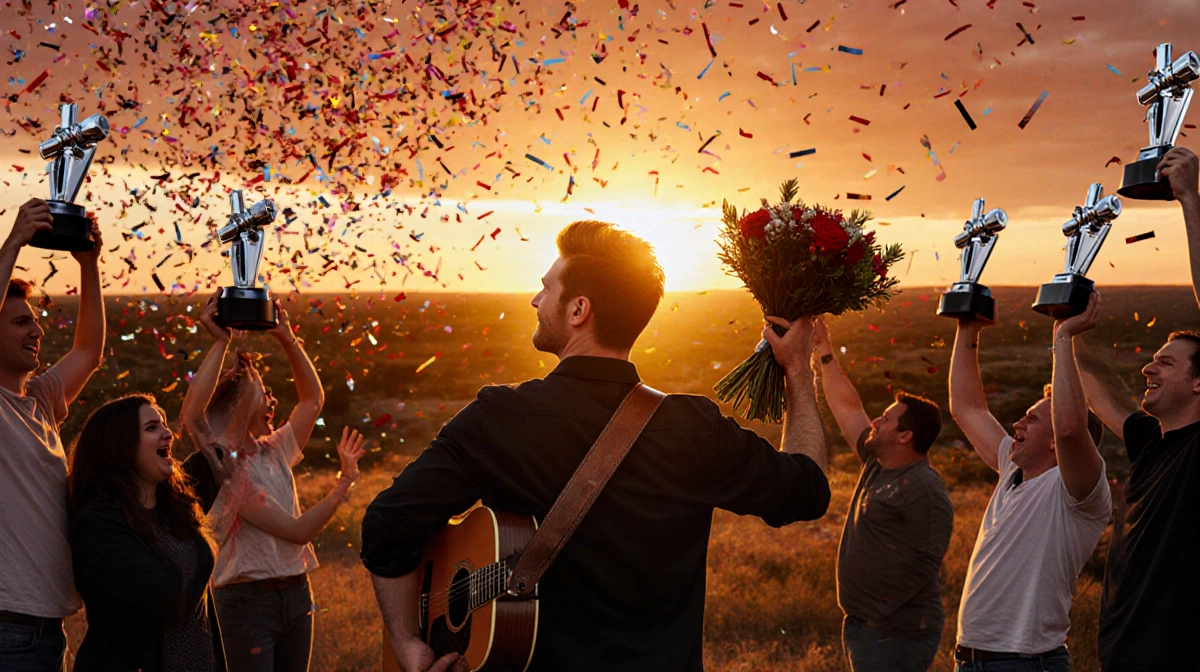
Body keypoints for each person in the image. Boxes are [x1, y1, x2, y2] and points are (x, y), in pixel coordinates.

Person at [361, 220, 831, 672]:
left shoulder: (498, 419)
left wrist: (406, 642)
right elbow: (808, 489)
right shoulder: (694, 429)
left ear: (578, 310)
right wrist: (797, 373)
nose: (534, 299)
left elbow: (387, 525)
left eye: (546, 289)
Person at [181, 289, 362, 672]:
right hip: (247, 602)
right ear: (241, 405)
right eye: (263, 395)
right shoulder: (227, 472)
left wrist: (286, 336)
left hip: (297, 593)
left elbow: (312, 400)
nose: (273, 402)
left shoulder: (274, 448)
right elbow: (297, 532)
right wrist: (343, 485)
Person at [1074, 146, 1200, 671]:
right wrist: (1065, 333)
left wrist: (1191, 200)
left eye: (1166, 364)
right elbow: (1101, 395)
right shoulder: (1151, 443)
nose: (1149, 369)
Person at [948, 296, 1111, 671]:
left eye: (1032, 420)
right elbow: (967, 407)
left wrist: (1064, 339)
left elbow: (1071, 428)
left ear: (1055, 440)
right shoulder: (1011, 469)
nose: (1017, 425)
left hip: (1025, 662)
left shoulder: (1078, 494)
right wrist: (967, 330)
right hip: (972, 661)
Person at [810, 318, 953, 672]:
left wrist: (880, 610)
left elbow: (929, 560)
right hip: (866, 628)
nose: (875, 422)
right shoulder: (877, 462)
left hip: (896, 635)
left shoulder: (924, 489)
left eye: (886, 420)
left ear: (905, 437)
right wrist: (824, 353)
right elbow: (847, 408)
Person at [67, 394, 247, 671]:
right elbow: (169, 600)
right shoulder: (97, 526)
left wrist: (234, 371)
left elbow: (222, 439)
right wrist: (213, 542)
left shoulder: (175, 506)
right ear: (119, 445)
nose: (168, 434)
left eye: (164, 424)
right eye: (152, 427)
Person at [0, 199, 104, 672]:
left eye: (36, 321)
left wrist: (89, 264)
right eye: (21, 322)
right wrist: (16, 240)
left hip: (45, 629)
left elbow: (87, 350)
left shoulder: (40, 401)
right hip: (8, 628)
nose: (37, 331)